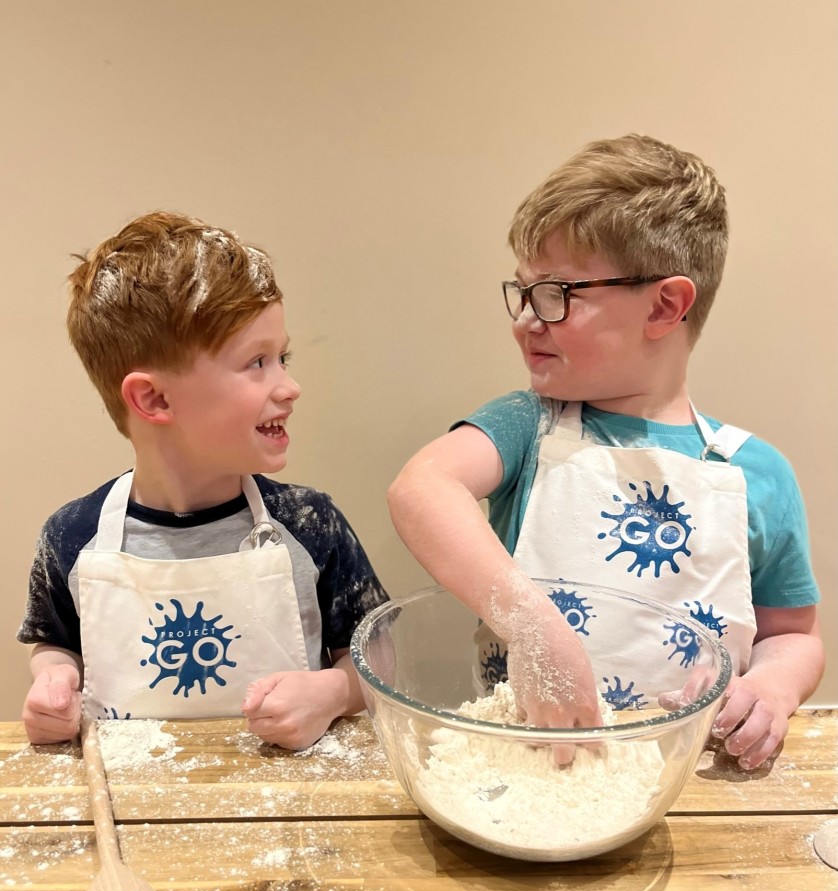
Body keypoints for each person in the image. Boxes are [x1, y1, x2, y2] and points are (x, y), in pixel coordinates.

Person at [388, 134, 823, 770]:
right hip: (534, 766)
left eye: (558, 294)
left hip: (687, 780)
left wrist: (771, 689)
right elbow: (422, 489)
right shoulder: (526, 425)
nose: (527, 320)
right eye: (524, 291)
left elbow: (792, 635)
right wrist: (535, 630)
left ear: (665, 306)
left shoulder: (755, 474)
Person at [19, 212, 387, 748]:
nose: (289, 386)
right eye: (257, 362)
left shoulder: (310, 526)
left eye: (281, 357)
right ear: (154, 399)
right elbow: (55, 642)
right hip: (132, 809)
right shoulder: (73, 537)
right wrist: (52, 679)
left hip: (289, 806)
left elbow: (381, 657)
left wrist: (333, 692)